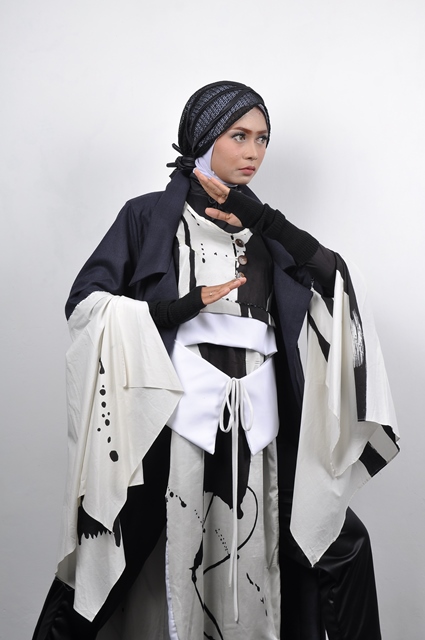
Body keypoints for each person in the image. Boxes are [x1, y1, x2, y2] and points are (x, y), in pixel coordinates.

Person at [32, 81, 399, 640]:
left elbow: (334, 281)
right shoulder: (146, 216)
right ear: (204, 137)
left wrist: (266, 221)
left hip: (261, 428)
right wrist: (177, 309)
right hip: (171, 418)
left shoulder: (265, 229)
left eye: (263, 138)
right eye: (239, 136)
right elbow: (85, 305)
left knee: (338, 544)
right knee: (107, 553)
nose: (254, 151)